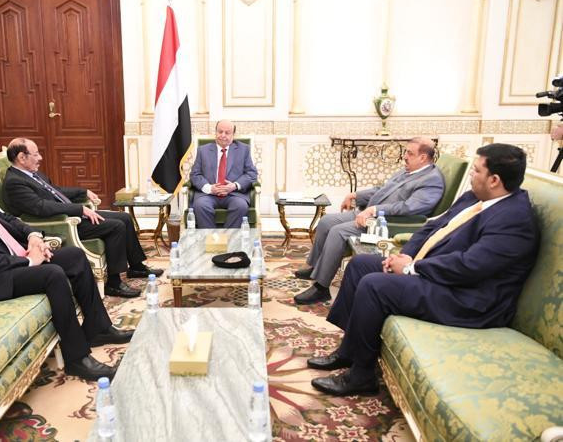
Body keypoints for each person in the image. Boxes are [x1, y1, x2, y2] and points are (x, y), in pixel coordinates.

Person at [309, 144, 539, 397]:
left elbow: (470, 266)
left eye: (475, 170)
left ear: (494, 180)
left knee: (374, 286)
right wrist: (407, 254)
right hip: (442, 276)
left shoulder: (514, 219)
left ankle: (361, 376)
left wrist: (411, 268)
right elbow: (432, 227)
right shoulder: (475, 197)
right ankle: (349, 352)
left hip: (468, 298)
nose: (471, 175)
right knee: (360, 265)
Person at [0, 145, 132, 381]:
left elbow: (7, 219)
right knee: (52, 274)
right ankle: (77, 359)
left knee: (74, 256)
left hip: (7, 261)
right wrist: (28, 261)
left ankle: (98, 329)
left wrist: (33, 237)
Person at [1, 138, 162, 299]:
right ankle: (114, 284)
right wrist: (79, 209)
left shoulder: (33, 174)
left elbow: (55, 191)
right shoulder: (14, 182)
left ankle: (136, 267)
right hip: (59, 224)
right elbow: (41, 207)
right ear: (22, 157)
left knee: (124, 217)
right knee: (116, 226)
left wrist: (83, 192)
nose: (40, 158)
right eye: (36, 154)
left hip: (68, 215)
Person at [293, 137, 444, 305]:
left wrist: (374, 210)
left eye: (409, 153)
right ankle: (316, 267)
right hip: (368, 213)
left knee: (338, 232)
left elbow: (409, 208)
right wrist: (355, 195)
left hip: (386, 223)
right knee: (326, 221)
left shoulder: (432, 180)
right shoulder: (408, 170)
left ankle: (321, 288)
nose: (405, 156)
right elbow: (382, 190)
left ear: (423, 157)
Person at [189, 119, 258, 228]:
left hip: (234, 194)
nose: (223, 135)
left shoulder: (243, 150)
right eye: (220, 131)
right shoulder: (203, 150)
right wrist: (209, 188)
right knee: (200, 205)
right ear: (215, 132)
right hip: (208, 194)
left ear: (233, 135)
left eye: (227, 132)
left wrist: (234, 185)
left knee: (240, 206)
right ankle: (211, 237)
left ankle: (228, 237)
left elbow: (251, 173)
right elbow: (195, 174)